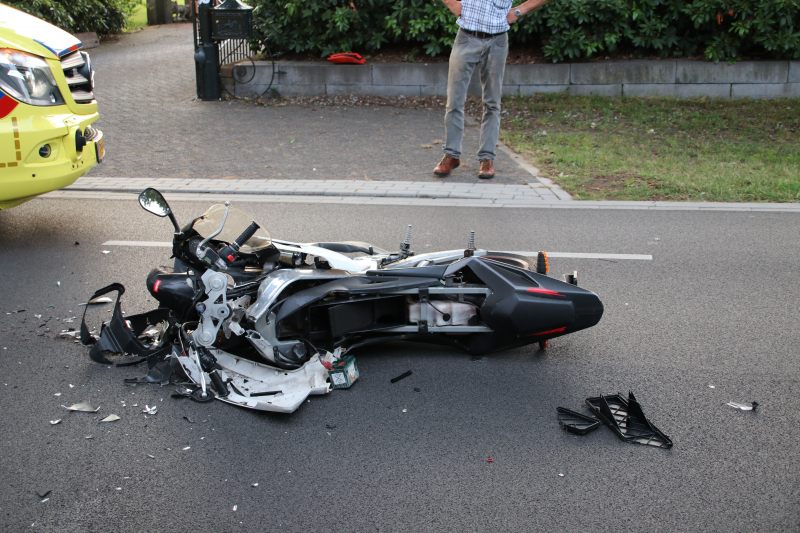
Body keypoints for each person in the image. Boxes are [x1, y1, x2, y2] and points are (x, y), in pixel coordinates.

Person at [434, 0, 548, 179]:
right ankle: (451, 154)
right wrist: (450, 2)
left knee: (492, 103)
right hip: (466, 36)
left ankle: (487, 158)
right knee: (454, 100)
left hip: (497, 40)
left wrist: (518, 11)